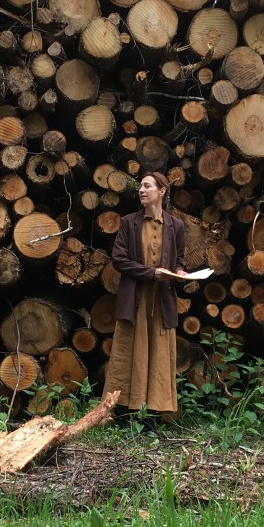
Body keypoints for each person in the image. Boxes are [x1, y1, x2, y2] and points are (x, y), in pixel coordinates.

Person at [103, 172, 186, 427]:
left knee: (158, 354)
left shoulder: (176, 226)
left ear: (162, 191)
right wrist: (151, 273)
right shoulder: (129, 223)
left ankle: (152, 416)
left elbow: (179, 259)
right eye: (140, 186)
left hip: (161, 300)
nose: (141, 190)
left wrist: (179, 272)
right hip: (135, 299)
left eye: (147, 186)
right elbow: (119, 260)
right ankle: (122, 413)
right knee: (129, 352)